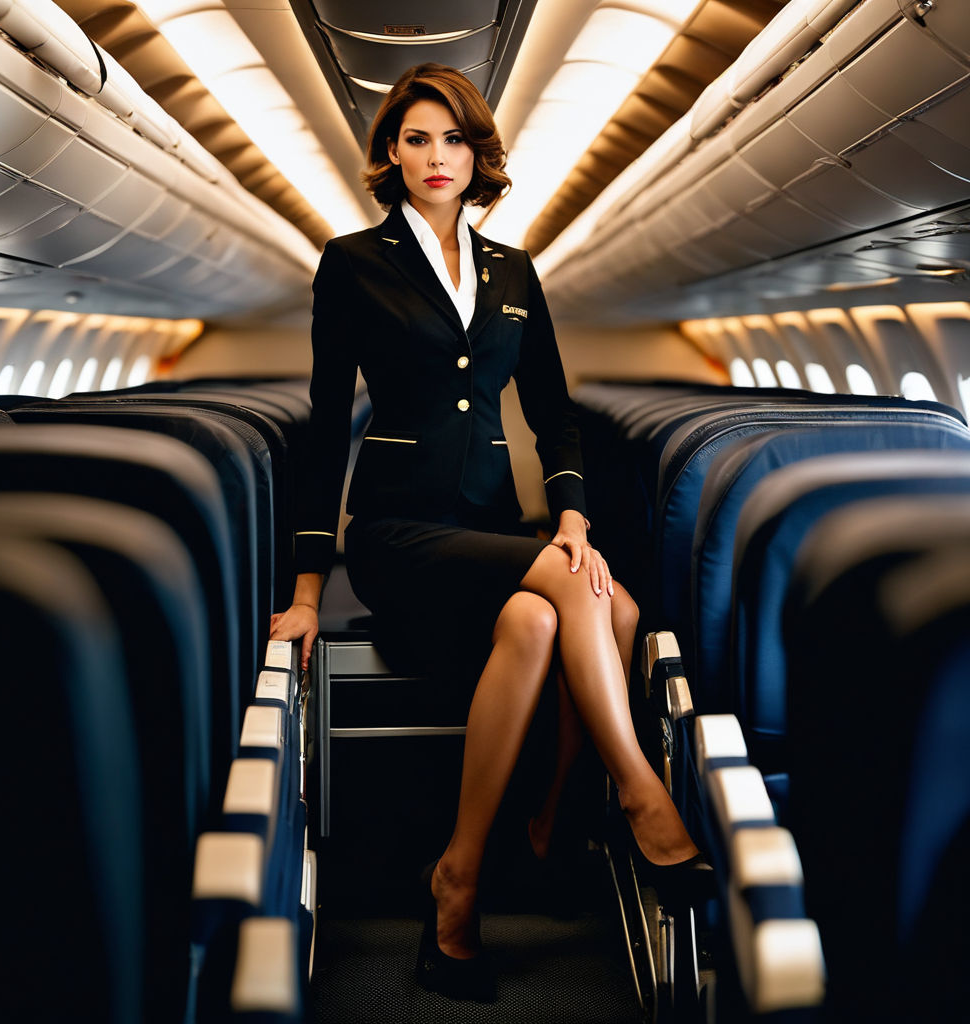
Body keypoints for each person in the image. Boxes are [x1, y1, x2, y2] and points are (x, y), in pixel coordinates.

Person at [269, 62, 703, 1002]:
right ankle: (624, 791)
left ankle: (459, 877)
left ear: (478, 155)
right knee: (606, 599)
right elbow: (317, 429)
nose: (436, 156)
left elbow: (554, 411)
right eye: (417, 138)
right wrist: (306, 591)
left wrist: (574, 512)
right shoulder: (352, 263)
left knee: (546, 618)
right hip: (395, 531)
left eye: (453, 139)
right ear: (391, 153)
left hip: (496, 524)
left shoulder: (513, 269)